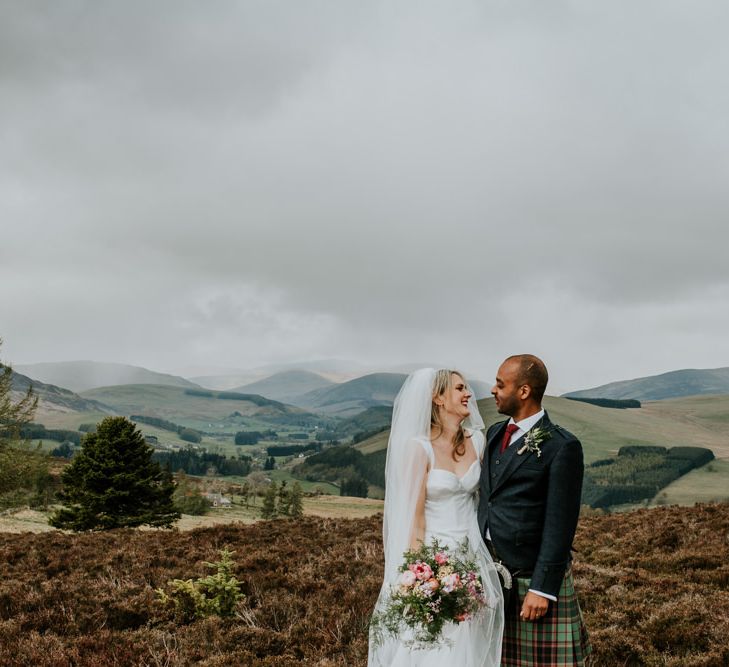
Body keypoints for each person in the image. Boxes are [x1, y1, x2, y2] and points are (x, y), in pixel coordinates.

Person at [369, 368, 504, 667]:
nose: (468, 393)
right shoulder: (419, 449)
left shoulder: (478, 441)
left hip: (472, 559)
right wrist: (419, 575)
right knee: (433, 643)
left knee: (468, 642)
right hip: (434, 561)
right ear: (438, 398)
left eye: (467, 387)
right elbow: (414, 519)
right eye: (459, 388)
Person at [477, 354, 591, 666]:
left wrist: (543, 588)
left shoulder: (561, 446)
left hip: (529, 579)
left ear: (524, 391)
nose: (493, 390)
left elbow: (560, 524)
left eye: (501, 384)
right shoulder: (494, 434)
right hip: (491, 580)